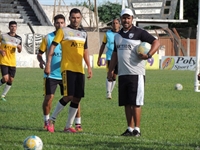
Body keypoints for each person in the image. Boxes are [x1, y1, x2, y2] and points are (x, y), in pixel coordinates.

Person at [107, 8, 160, 137]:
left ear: (132, 19)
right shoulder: (117, 36)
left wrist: (148, 55)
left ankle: (137, 129)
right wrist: (111, 70)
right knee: (126, 103)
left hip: (136, 73)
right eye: (124, 18)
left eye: (128, 18)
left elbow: (156, 42)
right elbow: (115, 53)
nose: (126, 20)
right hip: (123, 73)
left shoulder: (139, 32)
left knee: (136, 103)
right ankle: (129, 129)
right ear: (120, 19)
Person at [44, 8, 92, 133]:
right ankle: (52, 119)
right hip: (67, 67)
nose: (75, 20)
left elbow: (85, 51)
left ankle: (68, 126)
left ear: (80, 18)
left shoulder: (83, 33)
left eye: (78, 17)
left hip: (79, 69)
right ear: (69, 18)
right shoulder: (63, 31)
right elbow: (52, 47)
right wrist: (48, 64)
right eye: (73, 17)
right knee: (69, 96)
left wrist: (89, 66)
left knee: (77, 98)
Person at [37, 14, 82, 133]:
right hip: (51, 74)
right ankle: (47, 121)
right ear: (54, 23)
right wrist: (43, 62)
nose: (60, 25)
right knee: (49, 98)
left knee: (74, 97)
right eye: (58, 23)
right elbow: (40, 53)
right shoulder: (48, 38)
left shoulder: (69, 35)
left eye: (62, 23)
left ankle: (77, 123)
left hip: (66, 72)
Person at [97, 19, 121, 99]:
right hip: (110, 57)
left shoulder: (122, 34)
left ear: (119, 25)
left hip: (119, 57)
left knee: (114, 76)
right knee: (110, 74)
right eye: (113, 23)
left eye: (116, 23)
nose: (115, 24)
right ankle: (108, 93)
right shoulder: (107, 34)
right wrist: (99, 57)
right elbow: (103, 46)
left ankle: (110, 91)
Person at [0, 21, 22, 101]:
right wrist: (1, 51)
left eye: (15, 26)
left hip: (12, 62)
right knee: (5, 78)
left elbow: (20, 50)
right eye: (12, 26)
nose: (13, 28)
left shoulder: (19, 38)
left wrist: (19, 48)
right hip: (4, 60)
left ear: (16, 28)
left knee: (10, 80)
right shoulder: (3, 36)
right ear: (9, 27)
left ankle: (3, 95)